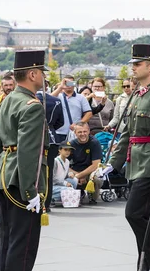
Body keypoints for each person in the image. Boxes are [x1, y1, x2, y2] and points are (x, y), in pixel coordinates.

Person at [98, 44, 150, 271]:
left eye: (138, 64)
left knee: (133, 213)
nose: (133, 67)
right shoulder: (137, 95)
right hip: (135, 163)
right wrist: (113, 164)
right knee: (145, 217)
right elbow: (127, 135)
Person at [0, 50, 49, 271]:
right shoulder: (32, 106)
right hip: (20, 182)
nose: (44, 77)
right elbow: (29, 153)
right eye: (42, 72)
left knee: (8, 242)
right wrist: (31, 192)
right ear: (32, 74)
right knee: (23, 246)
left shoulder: (6, 101)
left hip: (2, 176)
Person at [37, 82, 64, 212]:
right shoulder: (56, 101)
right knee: (48, 173)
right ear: (47, 86)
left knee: (33, 171)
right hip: (52, 139)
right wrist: (51, 128)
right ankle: (46, 204)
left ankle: (33, 200)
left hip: (34, 139)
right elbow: (61, 122)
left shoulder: (29, 99)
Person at [68, 122, 103, 204]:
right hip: (76, 171)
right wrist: (76, 175)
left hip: (90, 172)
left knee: (96, 178)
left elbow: (95, 165)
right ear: (75, 133)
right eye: (79, 132)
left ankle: (92, 196)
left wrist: (80, 176)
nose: (82, 134)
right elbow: (62, 163)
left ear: (88, 131)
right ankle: (77, 193)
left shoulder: (94, 142)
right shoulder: (71, 144)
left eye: (84, 131)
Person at [51, 75, 92, 142]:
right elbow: (48, 100)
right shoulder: (58, 96)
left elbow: (89, 113)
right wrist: (60, 88)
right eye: (66, 83)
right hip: (59, 132)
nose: (69, 85)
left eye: (71, 83)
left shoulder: (81, 98)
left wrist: (78, 124)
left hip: (75, 132)